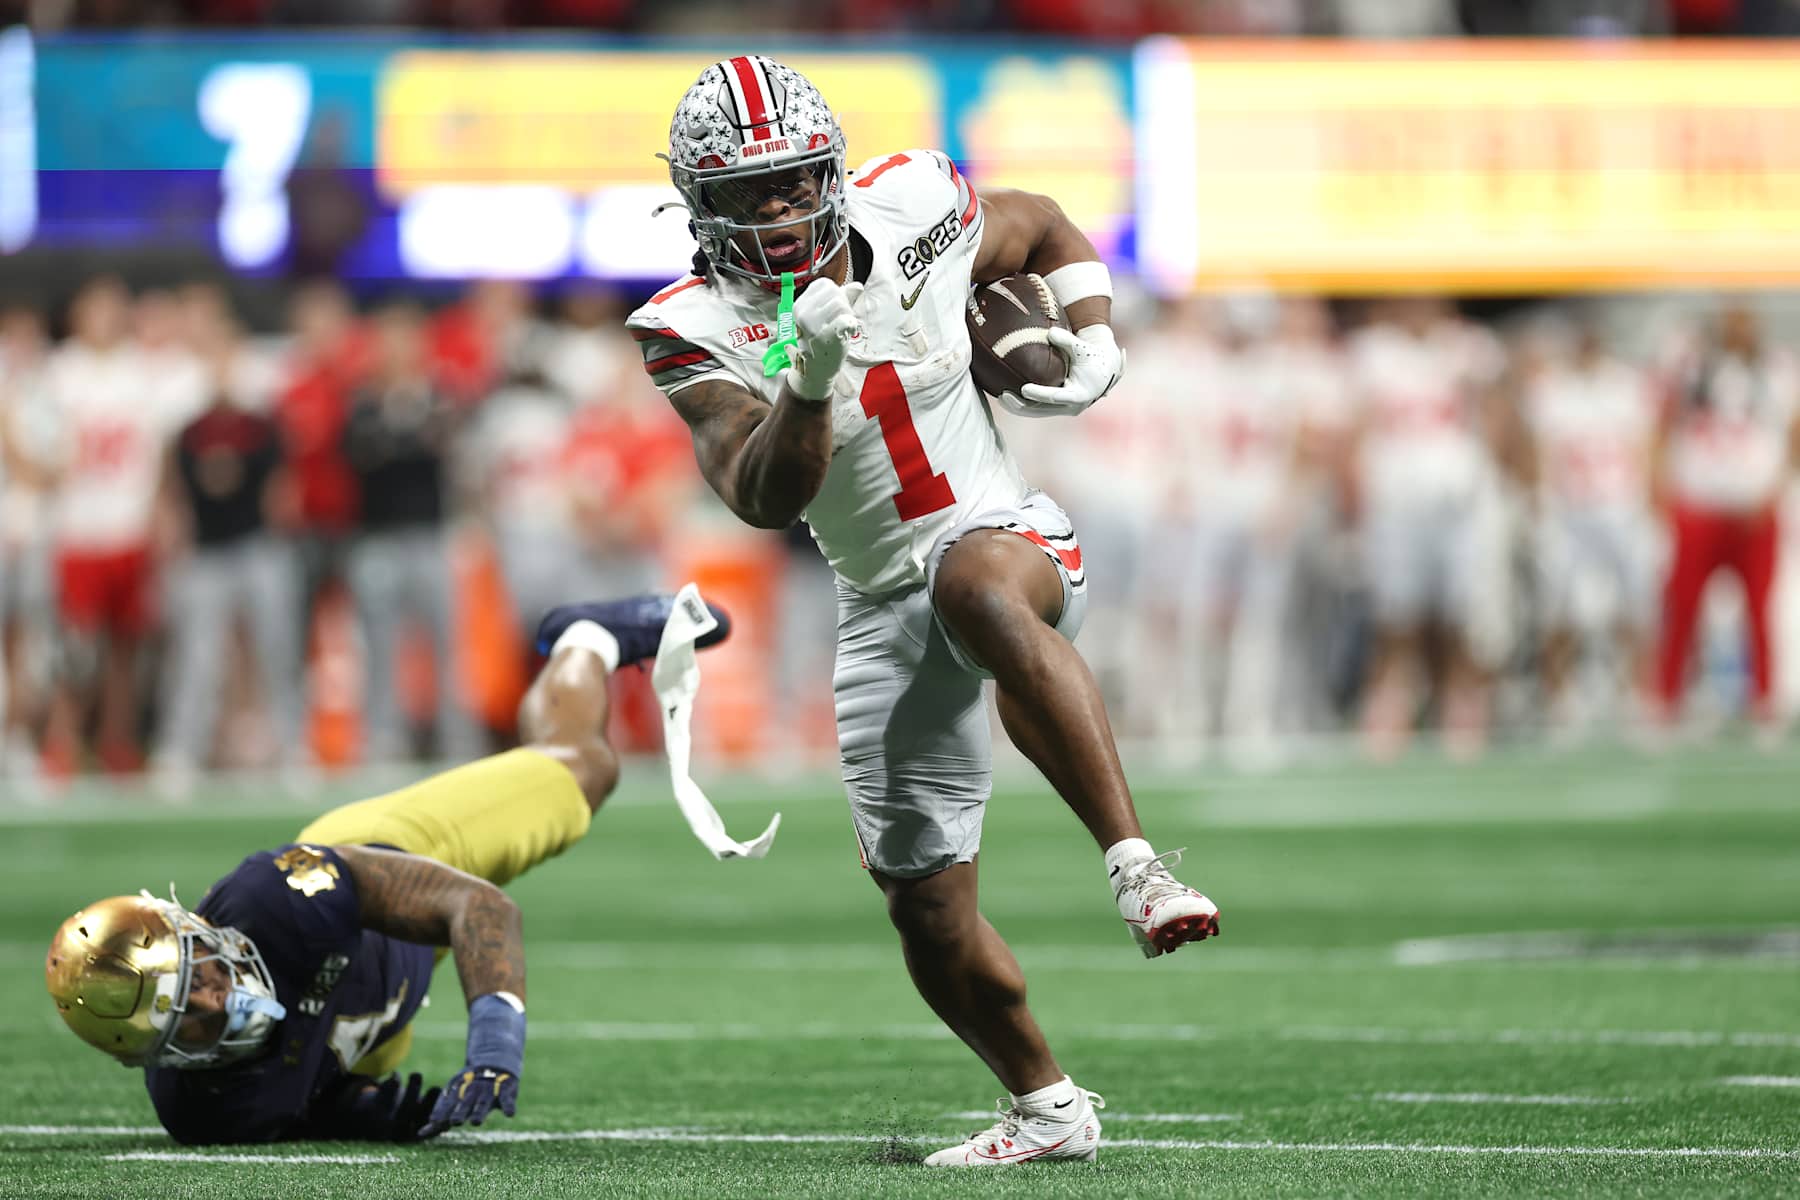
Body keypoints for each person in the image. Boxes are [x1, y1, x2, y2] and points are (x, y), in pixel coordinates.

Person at [630, 56, 1220, 1167]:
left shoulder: (911, 205)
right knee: (927, 912)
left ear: (835, 169)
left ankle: (1138, 866)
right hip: (878, 604)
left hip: (1011, 542)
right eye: (752, 194)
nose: (781, 209)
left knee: (972, 582)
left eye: (798, 180)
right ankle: (1047, 1109)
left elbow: (1042, 225)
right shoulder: (692, 323)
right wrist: (805, 384)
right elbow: (761, 497)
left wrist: (1092, 336)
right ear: (701, 207)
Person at [45, 592, 729, 1145]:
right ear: (153, 1057)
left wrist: (496, 1037)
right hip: (377, 1000)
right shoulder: (209, 1115)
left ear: (201, 932)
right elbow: (302, 1101)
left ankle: (587, 637)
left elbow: (480, 909)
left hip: (399, 858)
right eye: (187, 1022)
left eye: (203, 975)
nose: (217, 1001)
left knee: (585, 768)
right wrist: (358, 1107)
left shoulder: (280, 899)